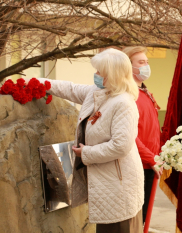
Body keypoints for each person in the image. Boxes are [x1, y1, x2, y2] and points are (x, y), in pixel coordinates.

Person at [37, 48, 144, 233]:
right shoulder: (99, 92)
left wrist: (86, 153)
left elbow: (121, 146)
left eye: (98, 72)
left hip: (118, 187)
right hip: (106, 183)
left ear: (112, 74)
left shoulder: (124, 103)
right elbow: (70, 89)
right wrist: (37, 83)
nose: (95, 75)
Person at [122, 46, 163, 223]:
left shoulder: (144, 93)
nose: (146, 65)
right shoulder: (127, 95)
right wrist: (150, 158)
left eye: (147, 62)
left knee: (144, 219)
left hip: (149, 164)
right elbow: (129, 134)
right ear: (128, 66)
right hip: (138, 165)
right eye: (141, 62)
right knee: (136, 220)